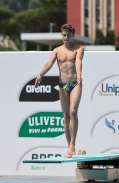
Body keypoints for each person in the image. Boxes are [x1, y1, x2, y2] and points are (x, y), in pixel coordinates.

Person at [35, 24, 84, 158]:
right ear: (61, 35)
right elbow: (49, 63)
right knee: (66, 116)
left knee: (73, 111)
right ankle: (69, 146)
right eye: (64, 35)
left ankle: (73, 144)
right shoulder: (57, 50)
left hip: (75, 83)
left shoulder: (79, 49)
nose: (66, 37)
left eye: (68, 35)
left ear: (73, 35)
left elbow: (78, 61)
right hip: (63, 85)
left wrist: (79, 74)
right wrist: (40, 75)